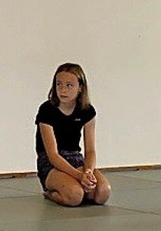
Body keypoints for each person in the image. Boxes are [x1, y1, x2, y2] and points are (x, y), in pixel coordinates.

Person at [35, 62, 111, 206]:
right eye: (59, 84)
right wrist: (78, 176)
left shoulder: (87, 111)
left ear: (80, 88)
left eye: (69, 85)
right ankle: (51, 193)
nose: (63, 90)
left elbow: (90, 150)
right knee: (75, 196)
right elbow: (53, 155)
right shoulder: (47, 110)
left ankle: (82, 188)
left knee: (103, 193)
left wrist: (88, 171)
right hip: (52, 162)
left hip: (75, 158)